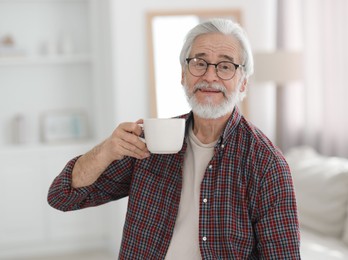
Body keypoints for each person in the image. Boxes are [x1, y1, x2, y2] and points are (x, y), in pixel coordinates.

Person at [48, 18, 300, 259]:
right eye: (199, 63)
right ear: (183, 74)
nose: (210, 76)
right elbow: (62, 197)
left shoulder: (266, 163)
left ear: (243, 82)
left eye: (225, 66)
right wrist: (105, 151)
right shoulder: (150, 141)